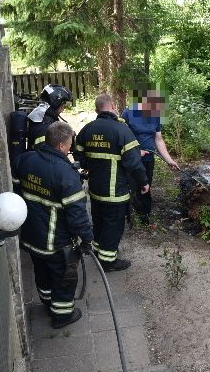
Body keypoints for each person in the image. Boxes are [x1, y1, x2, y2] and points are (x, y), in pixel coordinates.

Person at [12, 121, 94, 328]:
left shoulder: (25, 160)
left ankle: (48, 303)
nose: (70, 148)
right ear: (61, 146)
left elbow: (16, 192)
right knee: (64, 277)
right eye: (69, 145)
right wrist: (87, 238)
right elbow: (77, 215)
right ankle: (62, 315)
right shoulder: (66, 174)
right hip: (55, 241)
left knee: (41, 273)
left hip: (30, 236)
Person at [74, 94, 149, 271]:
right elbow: (134, 163)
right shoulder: (122, 131)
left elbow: (79, 156)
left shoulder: (87, 130)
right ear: (113, 106)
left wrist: (90, 165)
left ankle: (100, 253)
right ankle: (108, 261)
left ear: (96, 109)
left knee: (99, 222)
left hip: (95, 189)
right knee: (113, 225)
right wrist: (144, 182)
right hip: (115, 191)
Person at [121, 88, 180, 225]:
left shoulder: (155, 115)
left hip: (148, 159)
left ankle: (144, 216)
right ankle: (126, 215)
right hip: (132, 159)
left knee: (146, 186)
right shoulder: (128, 113)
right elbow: (121, 136)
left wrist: (169, 160)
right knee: (130, 186)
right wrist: (136, 151)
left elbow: (158, 139)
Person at [26, 84, 73, 149]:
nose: (63, 109)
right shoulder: (44, 125)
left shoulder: (40, 115)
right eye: (63, 105)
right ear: (56, 103)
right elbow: (47, 152)